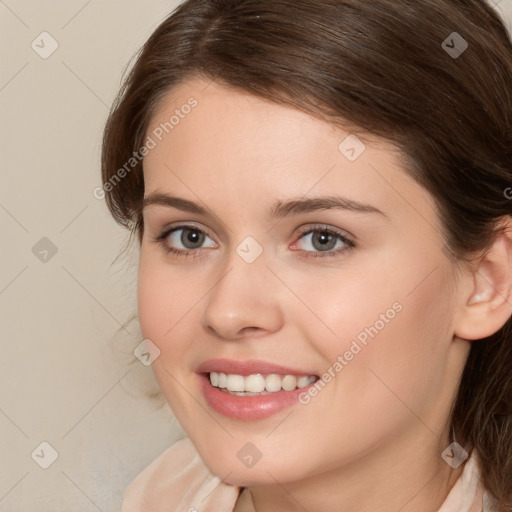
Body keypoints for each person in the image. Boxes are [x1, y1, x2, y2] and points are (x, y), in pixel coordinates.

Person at [100, 1, 512, 510]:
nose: (228, 311)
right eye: (189, 236)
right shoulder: (156, 496)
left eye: (322, 239)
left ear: (487, 280)